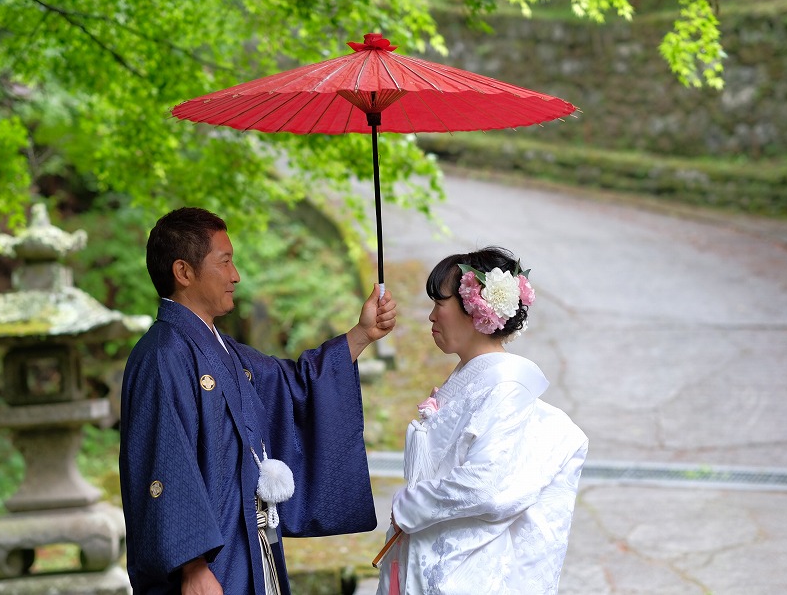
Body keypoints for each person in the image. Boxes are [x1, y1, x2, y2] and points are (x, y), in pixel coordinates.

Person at [119, 207, 396, 594]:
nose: (235, 276)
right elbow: (163, 462)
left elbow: (293, 385)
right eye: (225, 262)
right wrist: (191, 566)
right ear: (183, 272)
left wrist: (362, 334)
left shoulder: (226, 352)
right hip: (209, 563)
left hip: (251, 543)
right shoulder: (163, 355)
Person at [376, 246, 588, 595]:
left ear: (475, 308)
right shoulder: (473, 378)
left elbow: (486, 486)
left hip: (462, 566)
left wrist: (409, 506)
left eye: (439, 304)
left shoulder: (506, 385)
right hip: (430, 554)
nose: (431, 316)